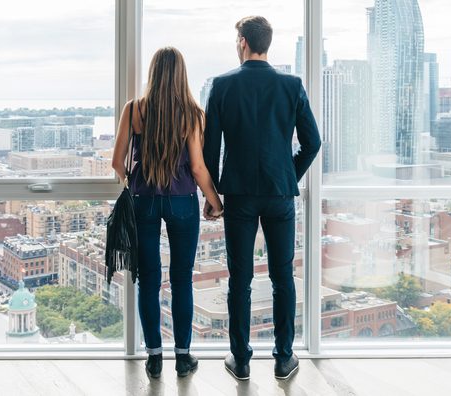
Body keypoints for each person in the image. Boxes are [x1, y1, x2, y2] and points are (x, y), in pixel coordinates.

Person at [203, 16, 321, 381]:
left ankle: (240, 360)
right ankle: (284, 358)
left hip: (238, 195)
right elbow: (313, 143)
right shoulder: (291, 85)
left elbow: (210, 149)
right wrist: (288, 174)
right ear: (266, 43)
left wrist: (212, 195)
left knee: (240, 279)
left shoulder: (221, 86)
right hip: (279, 194)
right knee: (282, 276)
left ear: (242, 42)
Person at [112, 47, 223, 379]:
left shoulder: (133, 110)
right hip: (182, 202)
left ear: (153, 73)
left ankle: (154, 357)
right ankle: (183, 357)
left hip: (143, 200)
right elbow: (199, 167)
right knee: (181, 279)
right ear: (181, 75)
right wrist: (215, 202)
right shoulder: (192, 114)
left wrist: (135, 181)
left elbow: (117, 163)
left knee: (148, 280)